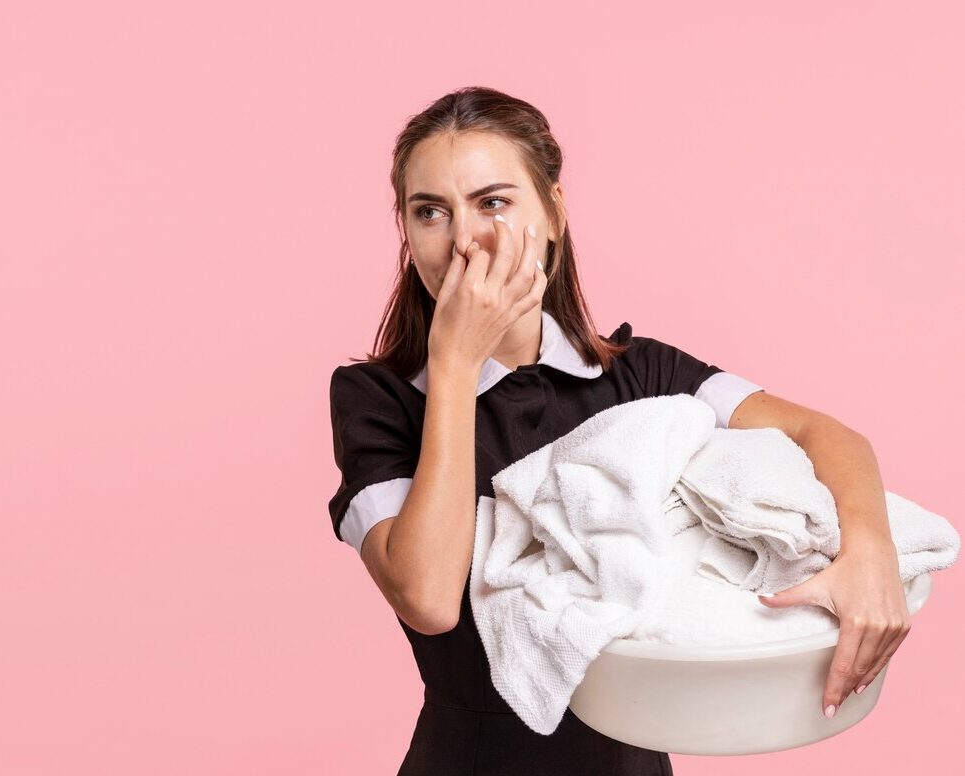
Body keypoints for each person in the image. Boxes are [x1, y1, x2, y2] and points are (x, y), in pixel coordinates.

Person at [326, 87, 909, 775]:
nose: (463, 240)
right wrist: (453, 365)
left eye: (493, 202)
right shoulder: (379, 399)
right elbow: (426, 598)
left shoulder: (643, 376)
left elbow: (825, 435)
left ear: (553, 212)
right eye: (430, 212)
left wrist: (870, 554)